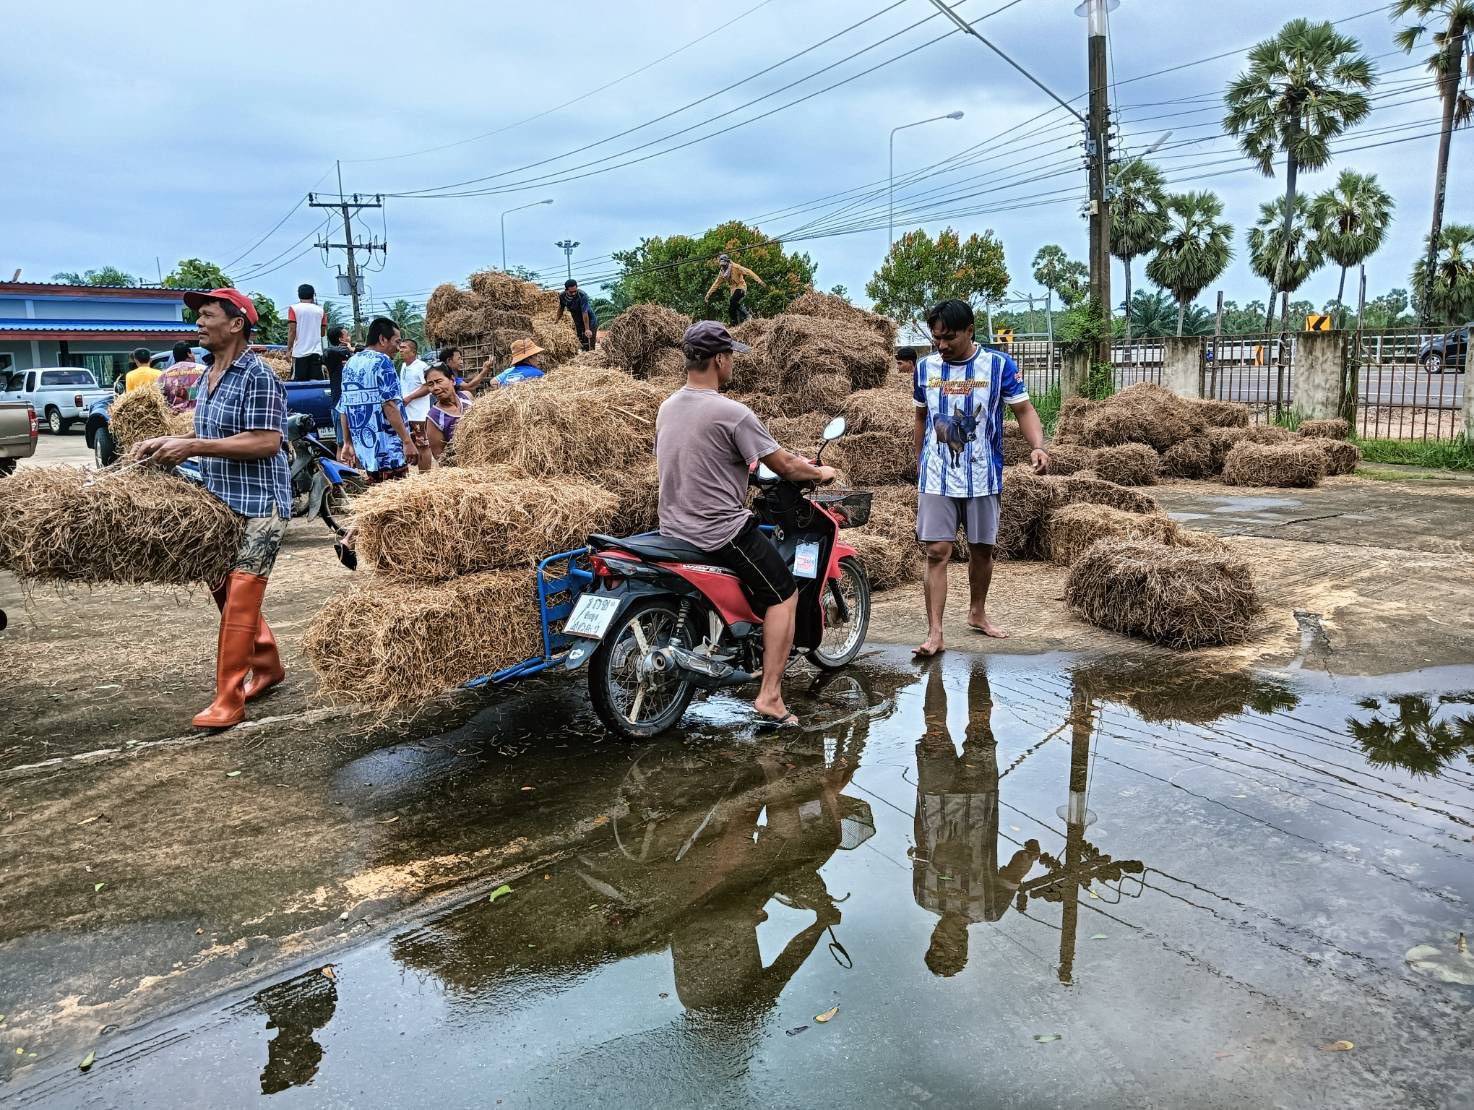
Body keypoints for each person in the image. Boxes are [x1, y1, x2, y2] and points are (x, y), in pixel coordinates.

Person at [654, 321, 836, 728]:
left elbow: (701, 456)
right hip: (719, 531)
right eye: (731, 355)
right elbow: (785, 465)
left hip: (673, 526)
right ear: (719, 359)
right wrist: (820, 473)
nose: (732, 362)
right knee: (784, 595)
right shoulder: (733, 413)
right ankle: (770, 696)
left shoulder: (668, 406)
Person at [131, 288, 291, 728]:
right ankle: (269, 666)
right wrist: (168, 442)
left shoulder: (257, 374)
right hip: (221, 500)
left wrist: (195, 444)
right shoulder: (208, 375)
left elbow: (267, 441)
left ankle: (228, 698)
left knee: (241, 596)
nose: (198, 324)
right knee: (224, 591)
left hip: (261, 503)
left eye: (206, 315)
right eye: (197, 317)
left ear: (236, 323)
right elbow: (211, 435)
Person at [912, 298, 1048, 657]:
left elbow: (1024, 409)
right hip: (937, 476)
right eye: (936, 338)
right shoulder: (925, 368)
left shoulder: (998, 365)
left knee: (981, 550)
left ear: (970, 331)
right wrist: (919, 463)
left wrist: (1039, 446)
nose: (941, 345)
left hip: (983, 475)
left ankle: (977, 612)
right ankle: (935, 633)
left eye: (949, 338)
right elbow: (921, 419)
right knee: (937, 552)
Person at [912, 660, 1041, 977]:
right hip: (976, 798)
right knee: (979, 727)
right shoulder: (989, 910)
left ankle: (937, 670)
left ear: (931, 939)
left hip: (936, 799)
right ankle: (978, 666)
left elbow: (919, 848)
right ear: (963, 944)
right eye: (948, 946)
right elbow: (1014, 872)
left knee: (935, 729)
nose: (942, 938)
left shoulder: (923, 898)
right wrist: (1030, 855)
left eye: (935, 944)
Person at [337, 316, 417, 482]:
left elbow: (344, 407)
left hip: (366, 452)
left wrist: (347, 442)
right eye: (396, 342)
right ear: (382, 339)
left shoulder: (351, 363)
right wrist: (407, 441)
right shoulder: (383, 361)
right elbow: (389, 404)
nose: (398, 348)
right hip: (388, 451)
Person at [423, 363, 474, 463]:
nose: (435, 387)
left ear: (452, 380)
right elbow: (441, 459)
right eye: (430, 384)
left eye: (439, 381)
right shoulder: (434, 418)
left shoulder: (467, 397)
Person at [397, 338, 431, 473]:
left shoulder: (421, 366)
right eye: (400, 347)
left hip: (419, 414)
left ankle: (425, 476)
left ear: (413, 351)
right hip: (406, 414)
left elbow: (428, 387)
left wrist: (410, 398)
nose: (400, 350)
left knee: (422, 445)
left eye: (404, 348)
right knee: (410, 445)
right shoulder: (404, 366)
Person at [705, 253, 766, 325]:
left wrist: (759, 281)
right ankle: (735, 323)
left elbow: (749, 272)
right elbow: (716, 284)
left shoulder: (736, 267)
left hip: (741, 287)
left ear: (728, 262)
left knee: (733, 300)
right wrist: (708, 294)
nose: (723, 267)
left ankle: (748, 315)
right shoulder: (722, 273)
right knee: (731, 308)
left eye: (724, 265)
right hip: (733, 290)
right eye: (722, 266)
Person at [286, 284, 326, 381]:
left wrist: (289, 349)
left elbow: (292, 331)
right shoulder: (321, 310)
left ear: (299, 295)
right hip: (316, 353)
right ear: (313, 295)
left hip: (299, 354)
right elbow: (322, 333)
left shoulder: (294, 309)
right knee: (316, 383)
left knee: (298, 383)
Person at [157, 341, 204, 413]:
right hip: (197, 414)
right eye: (193, 353)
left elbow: (159, 396)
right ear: (189, 354)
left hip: (174, 418)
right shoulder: (203, 370)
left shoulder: (164, 374)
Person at [556, 278, 598, 351]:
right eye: (571, 292)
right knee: (581, 340)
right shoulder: (562, 296)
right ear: (566, 290)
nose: (573, 294)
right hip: (577, 319)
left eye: (575, 291)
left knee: (589, 341)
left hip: (589, 319)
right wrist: (556, 321)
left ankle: (590, 354)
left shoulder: (582, 295)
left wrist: (587, 329)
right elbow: (561, 309)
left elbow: (584, 312)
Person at [322, 325, 352, 410]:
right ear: (341, 339)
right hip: (339, 405)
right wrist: (349, 350)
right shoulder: (332, 354)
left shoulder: (351, 354)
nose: (350, 338)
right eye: (347, 335)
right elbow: (328, 352)